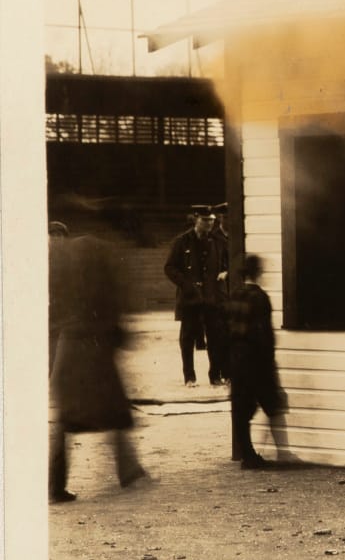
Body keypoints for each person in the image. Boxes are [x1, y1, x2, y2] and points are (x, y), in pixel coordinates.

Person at [49, 226, 148, 502]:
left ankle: (55, 485)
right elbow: (115, 313)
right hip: (95, 354)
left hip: (70, 354)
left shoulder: (65, 281)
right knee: (115, 411)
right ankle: (128, 470)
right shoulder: (98, 278)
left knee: (67, 421)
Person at [228, 254, 294, 469]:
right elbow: (263, 333)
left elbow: (224, 329)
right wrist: (269, 361)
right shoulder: (260, 298)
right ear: (258, 273)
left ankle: (248, 455)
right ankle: (283, 453)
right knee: (272, 403)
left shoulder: (234, 295)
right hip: (256, 358)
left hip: (236, 357)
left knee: (241, 410)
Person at [164, 204, 230, 386]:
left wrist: (225, 272)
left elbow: (228, 261)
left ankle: (215, 376)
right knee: (187, 338)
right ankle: (189, 377)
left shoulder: (218, 241)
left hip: (212, 297)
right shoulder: (182, 241)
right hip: (190, 298)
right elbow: (169, 267)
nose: (209, 224)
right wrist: (186, 284)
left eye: (211, 221)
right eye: (205, 220)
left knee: (215, 337)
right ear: (195, 220)